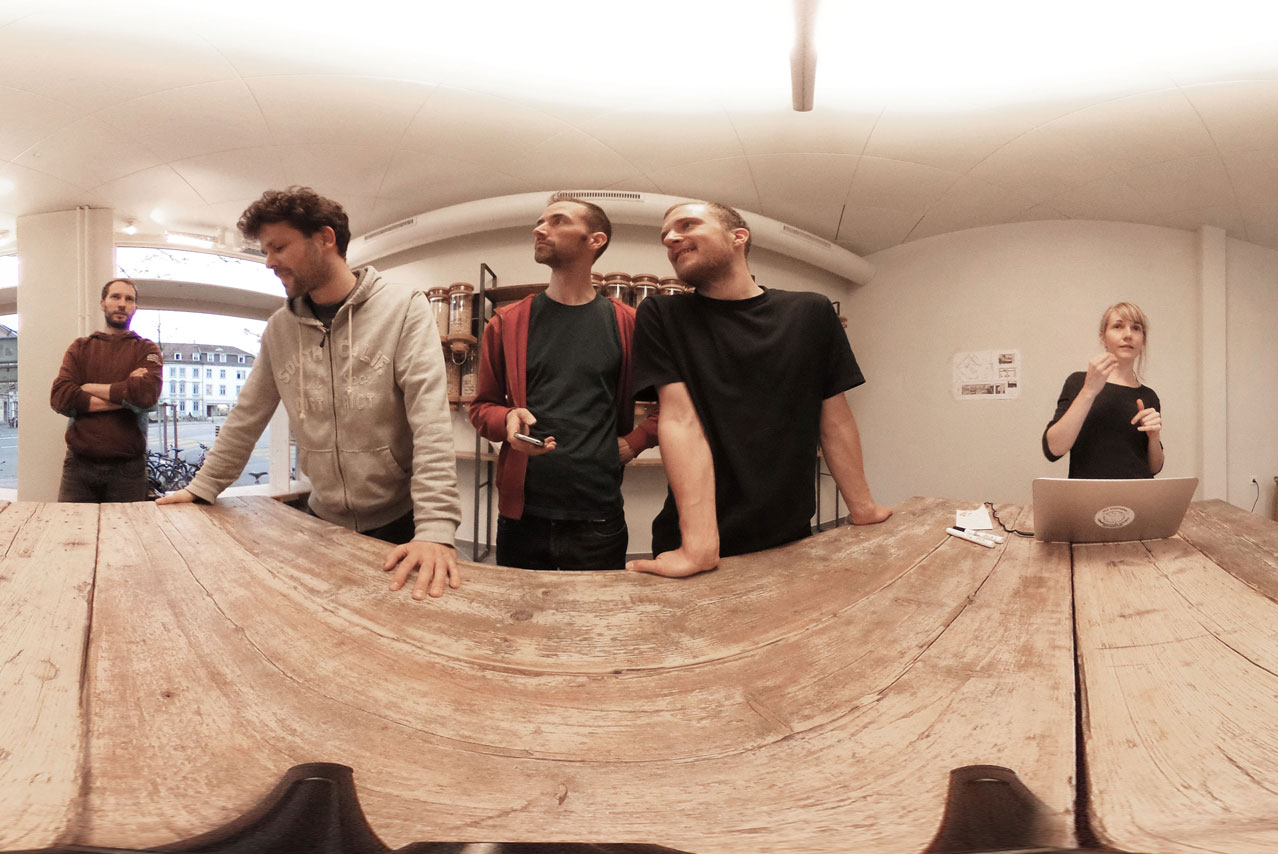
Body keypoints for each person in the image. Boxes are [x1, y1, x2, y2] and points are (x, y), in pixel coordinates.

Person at [157, 187, 462, 600]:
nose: (269, 262)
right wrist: (203, 486)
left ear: (325, 238)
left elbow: (430, 421)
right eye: (265, 250)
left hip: (400, 525)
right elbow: (247, 415)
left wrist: (436, 528)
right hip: (320, 519)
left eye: (279, 247)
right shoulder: (279, 329)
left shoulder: (403, 307)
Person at [626, 199, 891, 578]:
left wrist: (862, 508)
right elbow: (679, 420)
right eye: (665, 234)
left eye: (686, 225)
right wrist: (699, 546)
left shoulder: (811, 313)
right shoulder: (662, 314)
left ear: (738, 237)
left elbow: (834, 417)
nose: (670, 238)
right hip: (693, 543)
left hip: (790, 538)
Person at [469, 198, 658, 570]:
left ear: (595, 240)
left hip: (598, 516)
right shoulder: (506, 322)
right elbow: (481, 408)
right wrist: (505, 420)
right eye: (540, 221)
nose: (540, 229)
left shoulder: (629, 324)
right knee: (517, 608)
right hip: (521, 516)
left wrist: (636, 441)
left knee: (595, 610)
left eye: (557, 221)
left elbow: (672, 405)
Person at [49, 278, 162, 502]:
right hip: (79, 468)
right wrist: (127, 397)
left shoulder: (146, 348)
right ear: (103, 303)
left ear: (135, 308)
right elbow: (60, 397)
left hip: (129, 470)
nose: (122, 304)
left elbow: (146, 395)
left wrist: (88, 387)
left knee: (127, 527)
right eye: (115, 297)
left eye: (129, 299)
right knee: (70, 525)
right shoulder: (81, 347)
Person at [1043, 302, 1164, 478]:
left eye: (1136, 328)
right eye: (1118, 326)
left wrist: (1154, 437)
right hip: (1089, 493)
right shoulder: (1078, 382)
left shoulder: (1149, 396)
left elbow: (1155, 468)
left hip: (1139, 493)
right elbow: (1053, 449)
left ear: (1143, 341)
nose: (1128, 334)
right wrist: (1089, 391)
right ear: (1103, 337)